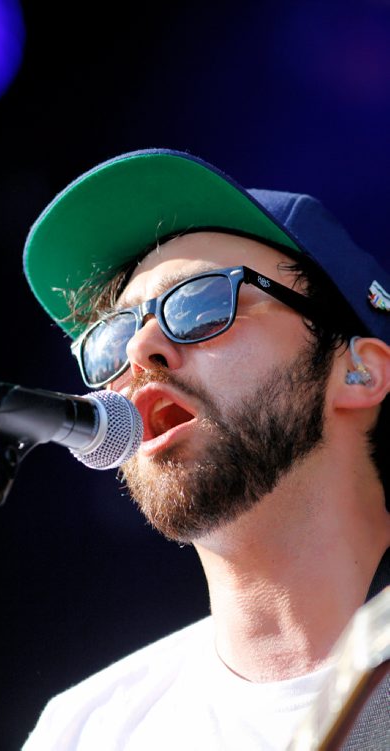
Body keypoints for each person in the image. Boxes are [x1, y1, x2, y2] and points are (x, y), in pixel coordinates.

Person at [21, 149, 389, 750]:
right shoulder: (85, 730)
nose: (140, 350)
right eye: (111, 337)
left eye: (199, 304)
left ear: (357, 372)